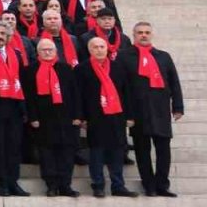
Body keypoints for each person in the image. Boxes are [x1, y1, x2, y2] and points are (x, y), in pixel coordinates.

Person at [118, 21, 184, 197]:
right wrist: (126, 113)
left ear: (151, 34)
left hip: (160, 109)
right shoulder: (124, 56)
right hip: (137, 110)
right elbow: (121, 87)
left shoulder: (163, 56)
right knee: (142, 150)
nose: (144, 35)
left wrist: (177, 106)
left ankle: (162, 184)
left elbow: (174, 83)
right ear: (134, 35)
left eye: (147, 32)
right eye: (140, 32)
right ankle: (149, 185)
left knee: (163, 150)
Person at [76, 36, 139, 198]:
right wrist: (81, 117)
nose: (99, 50)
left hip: (116, 116)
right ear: (90, 50)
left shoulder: (118, 68)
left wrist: (130, 115)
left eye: (102, 47)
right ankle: (98, 185)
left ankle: (118, 186)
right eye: (95, 47)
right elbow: (78, 95)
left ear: (107, 49)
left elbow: (126, 93)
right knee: (96, 153)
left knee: (117, 152)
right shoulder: (82, 69)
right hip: (95, 117)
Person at [25, 39, 81, 197]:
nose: (47, 52)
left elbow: (75, 93)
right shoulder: (30, 70)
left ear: (56, 51)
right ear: (38, 52)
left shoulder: (66, 69)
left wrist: (77, 115)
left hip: (66, 118)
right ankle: (51, 185)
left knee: (67, 154)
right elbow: (29, 97)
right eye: (44, 50)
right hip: (43, 119)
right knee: (47, 154)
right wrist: (33, 117)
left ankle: (65, 185)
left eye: (50, 49)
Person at [0, 20, 30, 197]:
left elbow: (22, 81)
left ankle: (13, 182)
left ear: (9, 36)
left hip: (14, 108)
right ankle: (2, 183)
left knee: (14, 147)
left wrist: (24, 110)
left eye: (3, 34)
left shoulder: (16, 55)